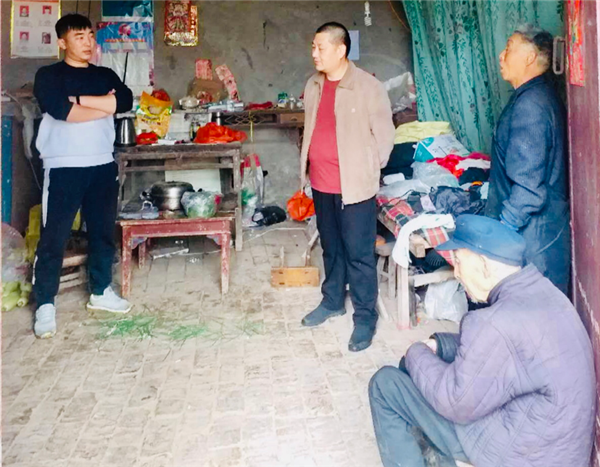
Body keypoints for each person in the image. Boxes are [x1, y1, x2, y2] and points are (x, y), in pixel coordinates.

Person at [368, 215, 595, 467]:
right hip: (555, 449)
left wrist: (416, 351)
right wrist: (440, 345)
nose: (456, 273)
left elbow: (454, 401)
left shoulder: (492, 323)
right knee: (425, 370)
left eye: (459, 262)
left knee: (386, 384)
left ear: (484, 265)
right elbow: (507, 350)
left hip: (518, 455)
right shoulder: (547, 294)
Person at [32, 14, 134, 338]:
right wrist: (105, 105)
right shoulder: (48, 76)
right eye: (79, 37)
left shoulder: (104, 74)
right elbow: (62, 112)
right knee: (54, 237)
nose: (88, 42)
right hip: (63, 166)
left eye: (90, 35)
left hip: (102, 164)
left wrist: (79, 100)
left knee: (102, 233)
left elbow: (126, 101)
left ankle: (100, 291)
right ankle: (45, 303)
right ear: (62, 42)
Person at [299, 22, 395, 352]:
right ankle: (333, 301)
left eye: (320, 48)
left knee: (359, 254)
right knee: (331, 247)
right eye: (313, 47)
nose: (314, 53)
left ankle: (365, 318)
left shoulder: (368, 87)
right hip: (321, 183)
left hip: (354, 187)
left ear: (341, 50)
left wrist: (367, 170)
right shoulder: (313, 84)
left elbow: (385, 138)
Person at [485, 25, 570, 295]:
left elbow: (529, 189)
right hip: (541, 235)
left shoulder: (530, 106)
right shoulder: (538, 95)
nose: (501, 55)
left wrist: (503, 231)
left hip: (533, 242)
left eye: (509, 48)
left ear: (530, 57)